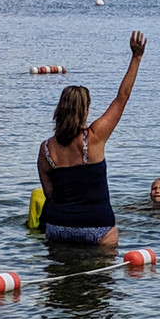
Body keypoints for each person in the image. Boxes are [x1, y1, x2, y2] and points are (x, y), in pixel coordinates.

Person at [37, 30, 147, 245]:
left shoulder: (46, 149)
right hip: (97, 229)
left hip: (58, 228)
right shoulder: (94, 137)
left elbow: (50, 194)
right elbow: (122, 97)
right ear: (84, 110)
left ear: (60, 110)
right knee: (106, 266)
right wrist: (136, 57)